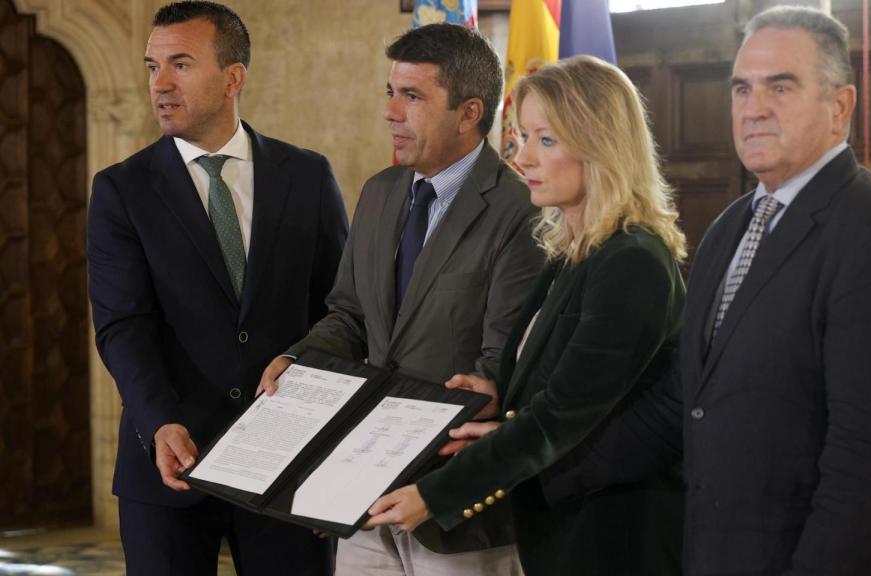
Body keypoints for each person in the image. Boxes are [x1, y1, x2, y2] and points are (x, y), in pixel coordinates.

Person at [363, 55, 689, 576]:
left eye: (546, 140)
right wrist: (501, 392)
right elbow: (552, 383)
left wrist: (435, 494)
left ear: (600, 144)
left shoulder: (632, 260)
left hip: (616, 535)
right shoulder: (571, 252)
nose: (522, 158)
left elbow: (562, 415)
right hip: (561, 525)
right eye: (520, 137)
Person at [258, 23, 542, 576]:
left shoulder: (521, 210)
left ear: (469, 112)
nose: (390, 111)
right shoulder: (380, 191)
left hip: (455, 512)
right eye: (390, 92)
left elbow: (500, 368)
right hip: (364, 505)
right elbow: (350, 315)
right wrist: (299, 361)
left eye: (412, 96)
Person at [676, 6, 871, 574]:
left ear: (840, 106)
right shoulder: (729, 229)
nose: (753, 110)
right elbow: (701, 403)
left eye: (780, 86)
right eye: (741, 89)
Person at [87, 2, 348, 574]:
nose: (160, 83)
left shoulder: (307, 175)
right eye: (152, 66)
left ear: (233, 78)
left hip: (289, 464)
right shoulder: (121, 190)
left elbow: (340, 310)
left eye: (180, 64)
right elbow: (122, 325)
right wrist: (160, 422)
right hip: (169, 464)